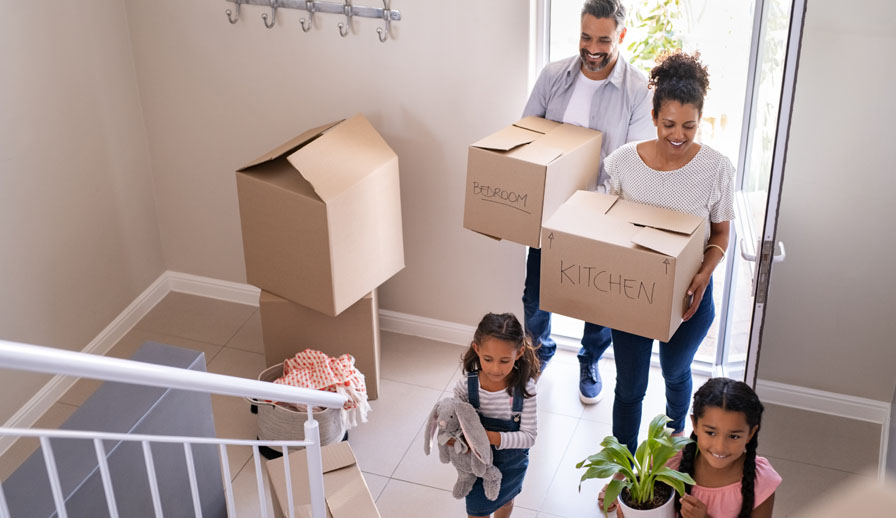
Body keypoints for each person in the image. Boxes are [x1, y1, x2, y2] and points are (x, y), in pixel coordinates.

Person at [602, 49, 735, 453]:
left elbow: (721, 234)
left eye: (689, 126)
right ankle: (622, 470)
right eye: (669, 124)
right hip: (633, 294)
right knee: (630, 387)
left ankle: (676, 444)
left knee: (677, 372)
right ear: (654, 116)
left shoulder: (716, 168)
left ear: (700, 121)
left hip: (690, 295)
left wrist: (703, 274)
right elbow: (607, 226)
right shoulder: (623, 163)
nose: (678, 135)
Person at [521, 0, 654, 404]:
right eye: (585, 37)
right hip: (549, 210)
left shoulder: (637, 90)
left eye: (603, 39)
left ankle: (589, 358)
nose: (592, 48)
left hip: (602, 214)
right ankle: (537, 353)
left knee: (598, 301)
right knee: (535, 293)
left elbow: (633, 164)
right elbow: (526, 135)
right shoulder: (552, 77)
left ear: (622, 36)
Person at [603, 377, 781, 517]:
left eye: (734, 436)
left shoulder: (761, 481)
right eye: (711, 432)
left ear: (751, 433)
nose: (720, 447)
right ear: (694, 424)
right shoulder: (668, 462)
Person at [453, 313, 540, 518]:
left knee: (506, 501)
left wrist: (489, 437)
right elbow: (454, 421)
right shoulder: (466, 386)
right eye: (488, 359)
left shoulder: (525, 389)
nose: (495, 368)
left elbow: (529, 437)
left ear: (519, 353)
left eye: (504, 361)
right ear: (477, 350)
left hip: (512, 465)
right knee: (477, 511)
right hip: (477, 467)